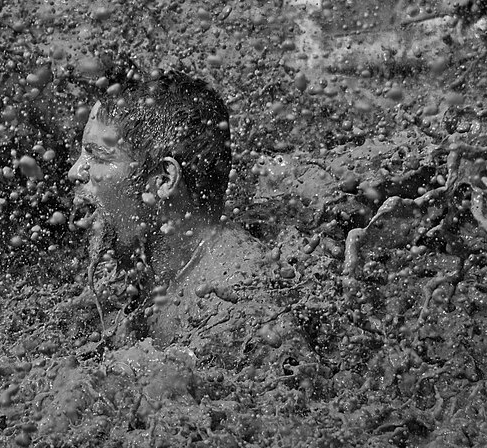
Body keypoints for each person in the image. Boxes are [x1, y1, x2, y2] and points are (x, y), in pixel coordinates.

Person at [66, 72, 310, 369]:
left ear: (164, 180)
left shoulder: (239, 306)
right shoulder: (138, 266)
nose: (75, 171)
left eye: (99, 157)